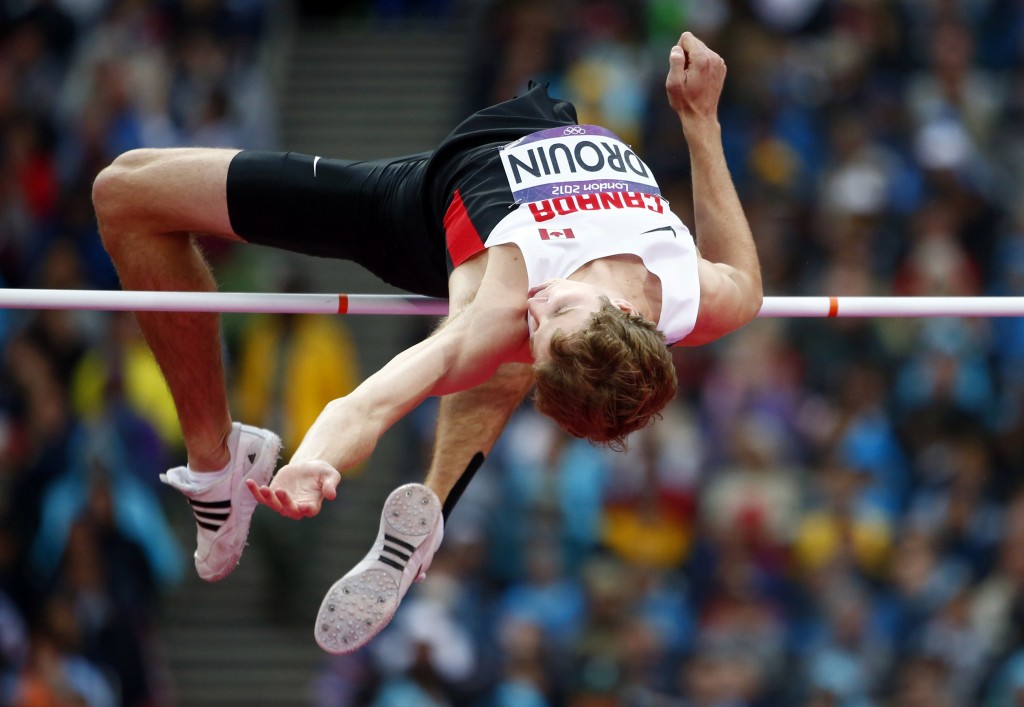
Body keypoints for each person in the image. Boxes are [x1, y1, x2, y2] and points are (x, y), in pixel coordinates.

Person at [91, 32, 762, 654]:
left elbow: (368, 405)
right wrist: (701, 121)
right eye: (555, 314)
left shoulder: (502, 311)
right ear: (622, 309)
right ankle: (319, 483)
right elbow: (746, 278)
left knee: (121, 193)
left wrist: (314, 462)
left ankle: (244, 471)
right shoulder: (697, 295)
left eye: (537, 336)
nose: (536, 309)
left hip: (416, 210)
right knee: (124, 187)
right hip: (528, 129)